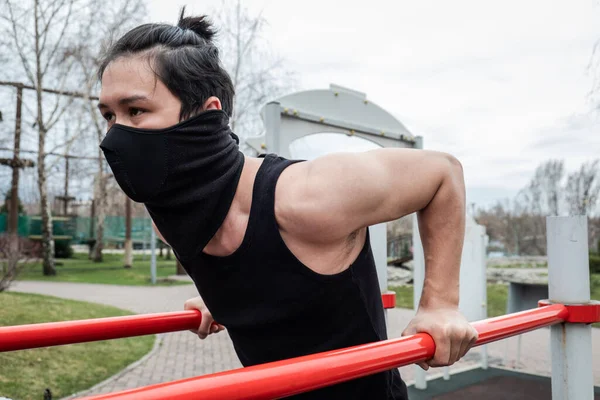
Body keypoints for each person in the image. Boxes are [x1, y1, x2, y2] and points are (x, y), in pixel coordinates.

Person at [97, 9, 478, 400]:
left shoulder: (307, 197)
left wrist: (441, 304)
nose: (114, 136)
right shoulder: (173, 221)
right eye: (109, 115)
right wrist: (223, 296)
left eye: (136, 111)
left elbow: (442, 172)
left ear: (206, 115)